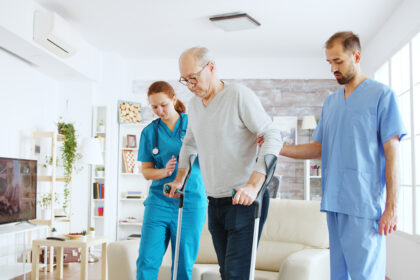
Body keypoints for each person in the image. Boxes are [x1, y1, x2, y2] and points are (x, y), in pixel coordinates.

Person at [279, 31, 406, 279]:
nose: (333, 69)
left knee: (365, 275)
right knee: (339, 275)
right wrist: (281, 149)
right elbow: (318, 147)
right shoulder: (332, 103)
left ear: (356, 56)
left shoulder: (382, 95)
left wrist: (391, 207)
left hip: (364, 204)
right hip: (335, 203)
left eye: (338, 61)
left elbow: (393, 155)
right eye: (329, 62)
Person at [165, 47, 283, 279]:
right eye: (185, 80)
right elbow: (189, 144)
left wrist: (253, 185)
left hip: (243, 200)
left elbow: (272, 135)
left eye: (194, 78)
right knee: (226, 273)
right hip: (215, 202)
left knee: (236, 275)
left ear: (211, 67)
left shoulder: (238, 95)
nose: (190, 85)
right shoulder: (196, 106)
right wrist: (179, 180)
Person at [136, 81, 207, 280]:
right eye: (154, 107)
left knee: (182, 263)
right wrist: (165, 172)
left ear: (174, 99)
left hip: (190, 201)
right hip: (158, 201)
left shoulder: (195, 124)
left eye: (163, 105)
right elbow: (147, 172)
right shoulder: (150, 132)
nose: (159, 110)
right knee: (146, 260)